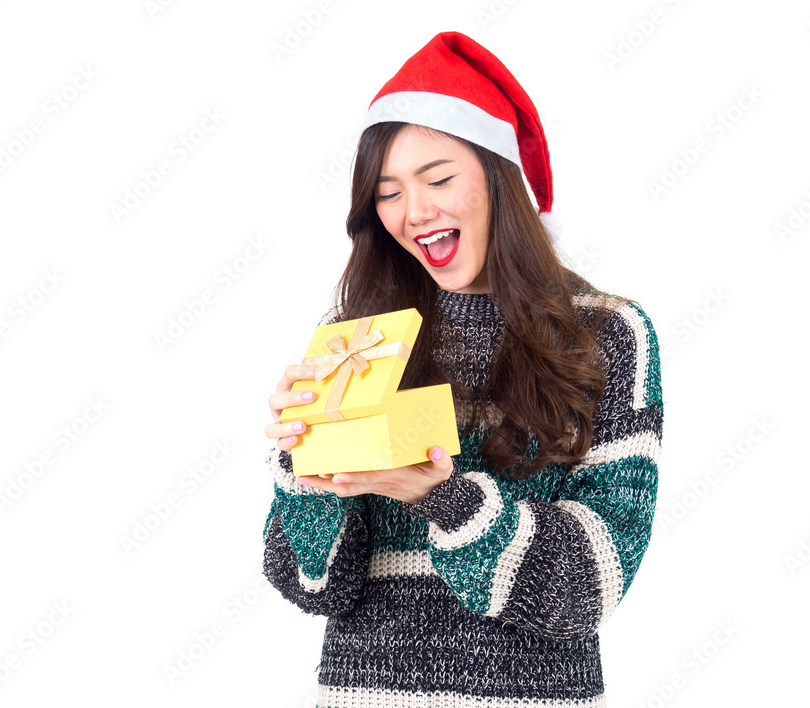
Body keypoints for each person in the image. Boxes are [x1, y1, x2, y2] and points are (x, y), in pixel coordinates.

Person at [263, 31, 664, 707]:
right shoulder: (354, 337)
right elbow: (310, 583)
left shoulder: (604, 334)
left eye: (439, 179)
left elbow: (588, 588)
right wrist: (305, 467)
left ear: (501, 178)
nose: (414, 212)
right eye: (387, 192)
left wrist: (442, 498)